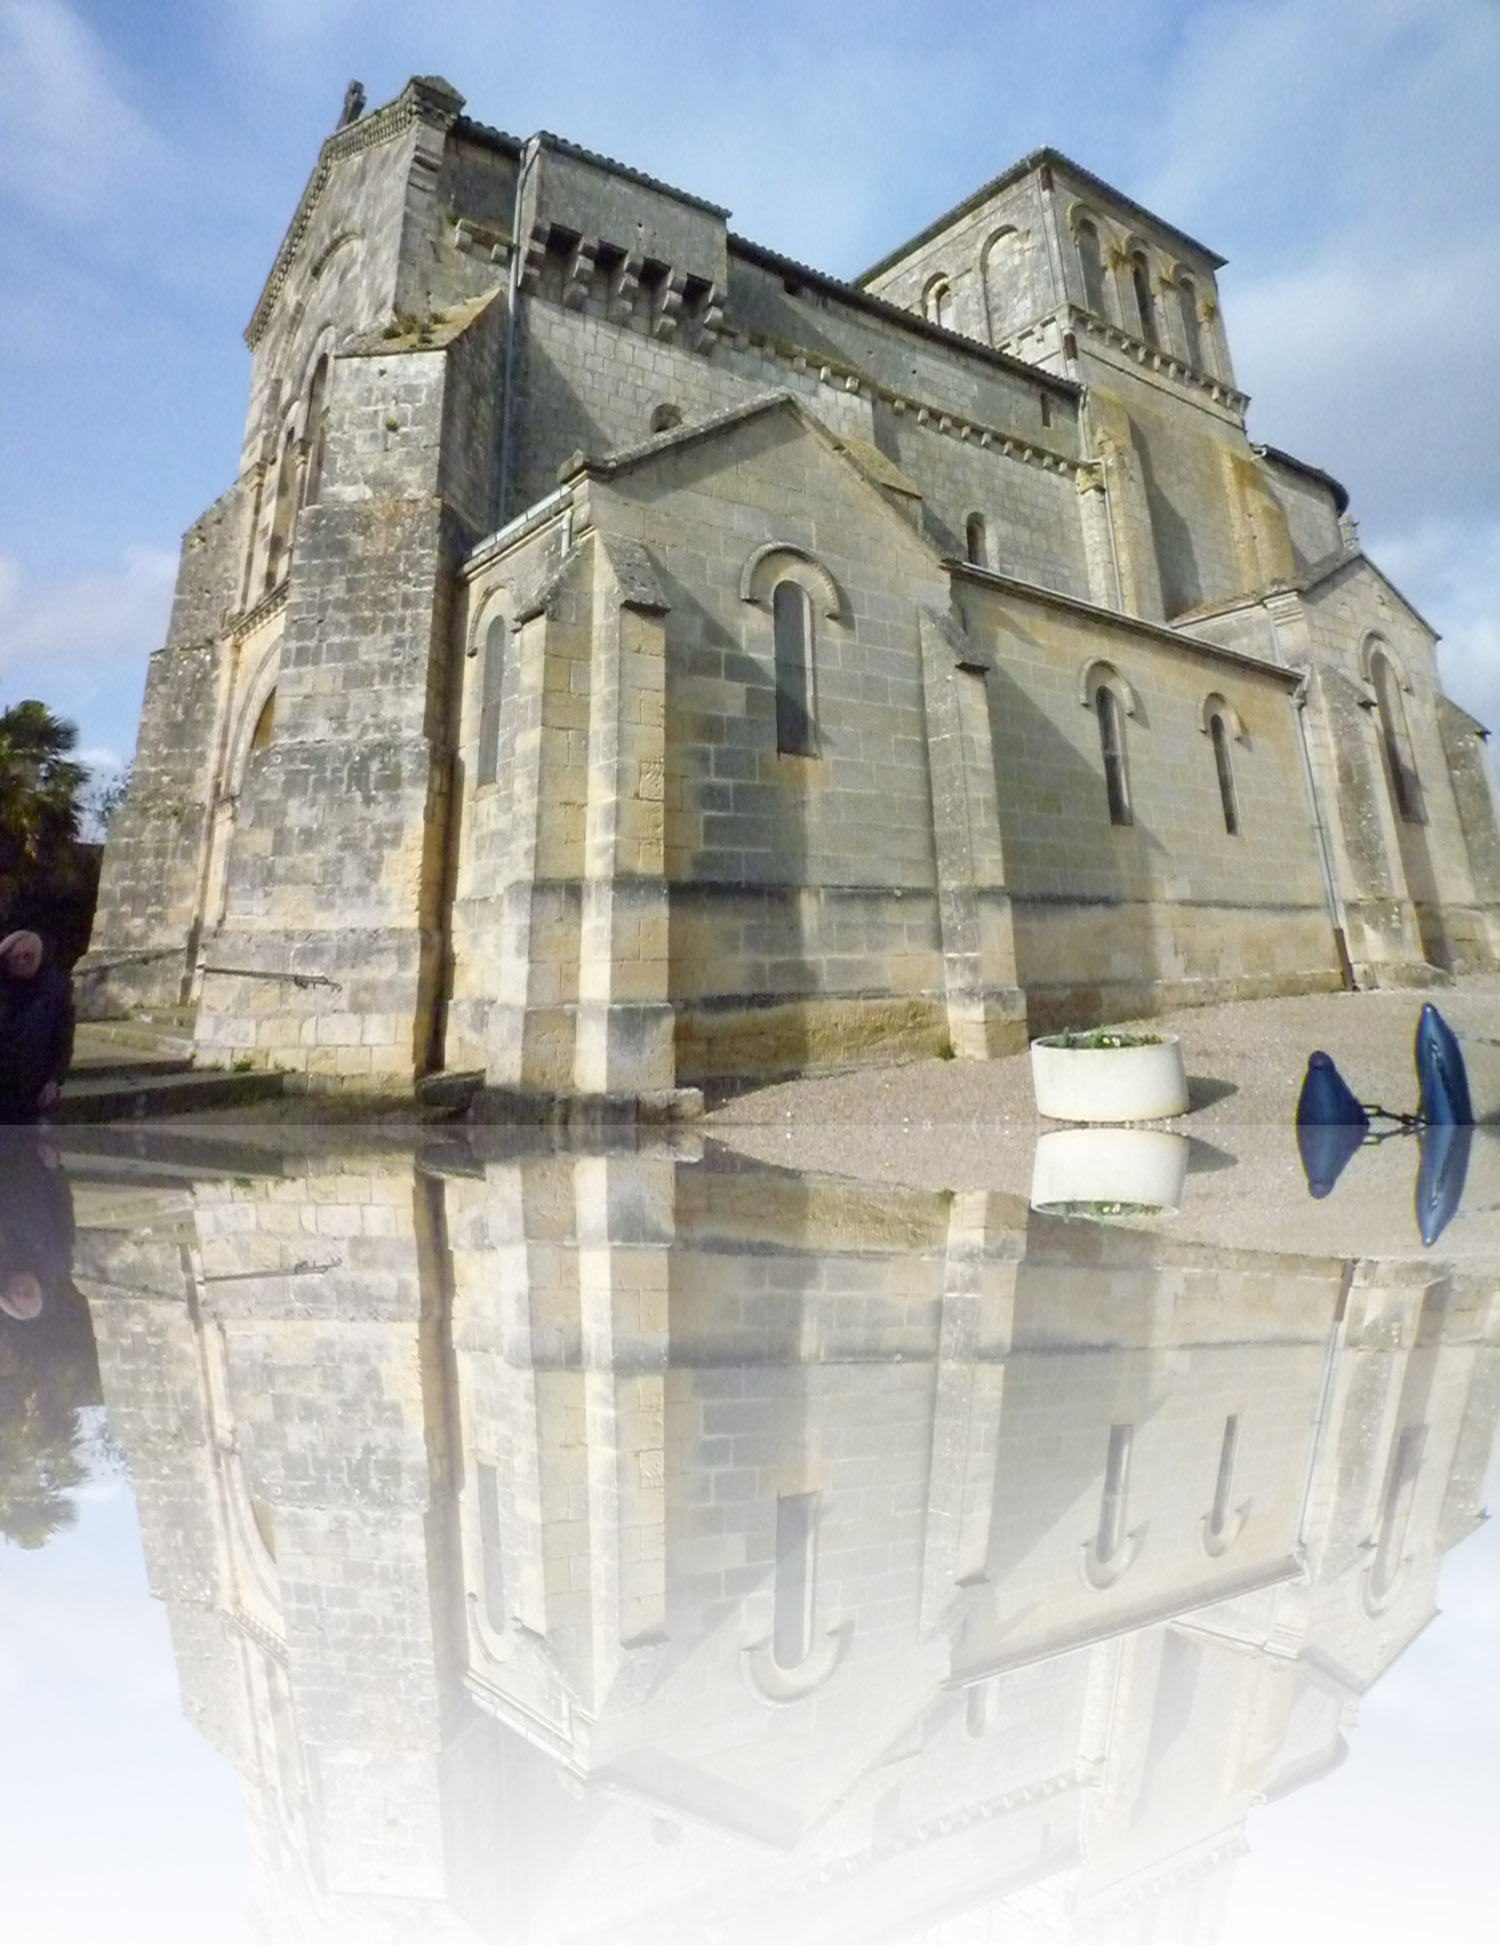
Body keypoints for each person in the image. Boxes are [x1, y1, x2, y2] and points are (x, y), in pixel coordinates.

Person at [0, 930, 74, 1123]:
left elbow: (63, 1040)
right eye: (17, 956)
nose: (22, 961)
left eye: (28, 956)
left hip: (32, 1089)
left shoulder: (56, 991)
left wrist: (54, 1080)